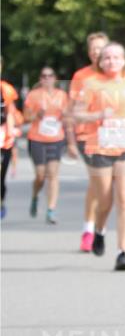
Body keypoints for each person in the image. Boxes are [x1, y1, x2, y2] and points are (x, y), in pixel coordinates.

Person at [73, 42, 125, 271]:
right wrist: (98, 114)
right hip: (100, 147)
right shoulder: (91, 84)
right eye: (107, 58)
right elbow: (77, 115)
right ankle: (99, 230)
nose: (111, 61)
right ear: (100, 61)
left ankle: (122, 252)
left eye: (116, 57)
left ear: (124, 61)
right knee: (105, 202)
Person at [67, 31, 109, 251]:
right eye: (93, 48)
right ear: (89, 52)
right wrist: (71, 141)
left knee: (107, 185)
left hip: (113, 137)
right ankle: (89, 230)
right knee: (96, 182)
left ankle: (98, 226)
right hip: (87, 136)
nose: (96, 52)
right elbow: (71, 111)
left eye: (100, 48)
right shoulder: (81, 76)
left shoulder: (116, 74)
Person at [23, 68, 70, 224]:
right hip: (37, 139)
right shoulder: (33, 95)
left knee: (53, 174)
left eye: (50, 75)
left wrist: (65, 116)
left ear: (55, 78)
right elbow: (26, 117)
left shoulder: (62, 96)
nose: (47, 78)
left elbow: (68, 116)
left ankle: (51, 209)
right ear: (40, 79)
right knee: (40, 176)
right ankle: (35, 196)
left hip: (56, 138)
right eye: (44, 76)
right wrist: (36, 114)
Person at [1, 61, 22, 220]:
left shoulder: (6, 89)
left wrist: (10, 134)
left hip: (2, 135)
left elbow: (10, 113)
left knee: (1, 175)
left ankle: (1, 200)